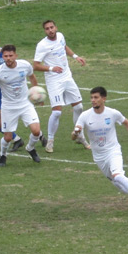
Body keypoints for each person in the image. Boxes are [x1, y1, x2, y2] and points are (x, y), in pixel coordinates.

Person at [72, 86, 128, 212]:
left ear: (104, 99)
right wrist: (76, 133)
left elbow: (127, 123)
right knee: (117, 183)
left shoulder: (112, 113)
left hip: (113, 151)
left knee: (118, 176)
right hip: (99, 156)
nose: (93, 100)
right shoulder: (85, 116)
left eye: (96, 97)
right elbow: (73, 137)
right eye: (91, 98)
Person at [0, 44, 55, 166]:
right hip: (9, 107)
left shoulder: (25, 65)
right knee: (8, 138)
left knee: (36, 131)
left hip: (25, 104)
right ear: (2, 57)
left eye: (10, 55)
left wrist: (36, 94)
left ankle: (30, 148)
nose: (8, 58)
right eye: (5, 56)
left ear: (16, 56)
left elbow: (32, 77)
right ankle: (3, 155)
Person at [33, 19, 87, 154]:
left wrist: (75, 56)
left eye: (52, 27)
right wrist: (52, 68)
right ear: (45, 31)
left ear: (56, 27)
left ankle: (79, 135)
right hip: (54, 81)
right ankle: (50, 141)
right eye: (47, 28)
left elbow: (64, 46)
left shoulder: (61, 36)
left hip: (67, 77)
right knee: (57, 112)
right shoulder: (42, 45)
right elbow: (36, 66)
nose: (50, 30)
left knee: (79, 107)